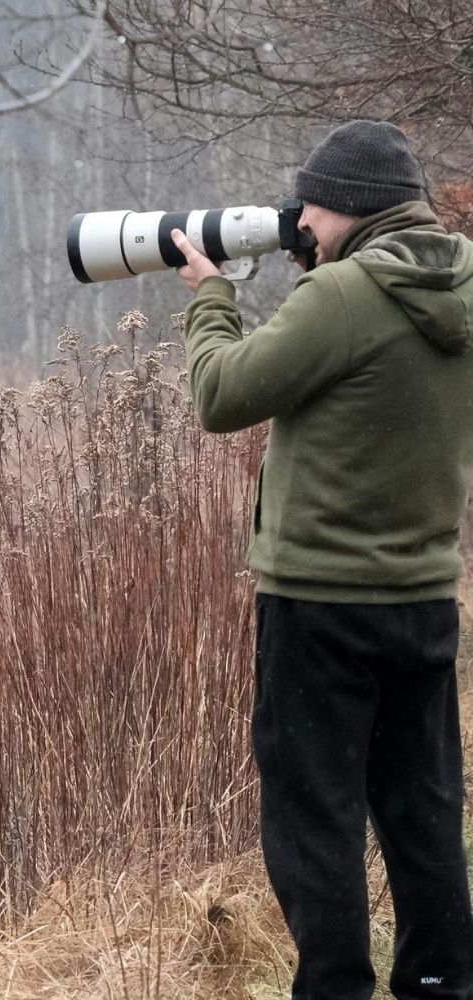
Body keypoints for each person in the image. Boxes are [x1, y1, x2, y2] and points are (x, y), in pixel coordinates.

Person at [169, 120, 473, 1000]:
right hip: (422, 598)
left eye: (310, 204)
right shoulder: (461, 284)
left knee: (316, 820)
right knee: (422, 813)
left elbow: (224, 394)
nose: (299, 220)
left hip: (321, 606)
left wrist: (210, 295)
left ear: (343, 205)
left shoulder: (343, 296)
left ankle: (334, 989)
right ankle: (439, 984)